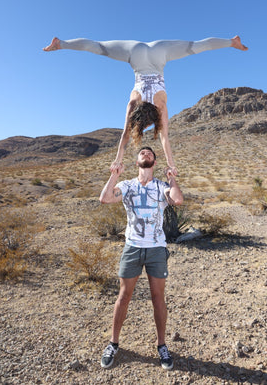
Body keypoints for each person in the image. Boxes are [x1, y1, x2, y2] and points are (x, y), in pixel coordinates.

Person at [43, 35, 248, 174]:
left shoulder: (161, 105)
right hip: (136, 54)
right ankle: (61, 43)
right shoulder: (134, 102)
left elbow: (165, 139)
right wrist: (117, 160)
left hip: (159, 54)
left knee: (194, 47)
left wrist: (171, 165)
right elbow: (124, 135)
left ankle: (232, 42)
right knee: (99, 48)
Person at [99, 146, 183, 370]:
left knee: (158, 298)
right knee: (124, 297)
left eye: (150, 154)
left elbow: (177, 200)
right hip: (133, 247)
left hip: (156, 249)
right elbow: (105, 199)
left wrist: (172, 178)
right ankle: (113, 343)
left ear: (154, 162)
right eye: (142, 154)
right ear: (137, 161)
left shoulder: (161, 187)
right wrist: (114, 174)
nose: (146, 155)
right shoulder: (127, 186)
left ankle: (162, 345)